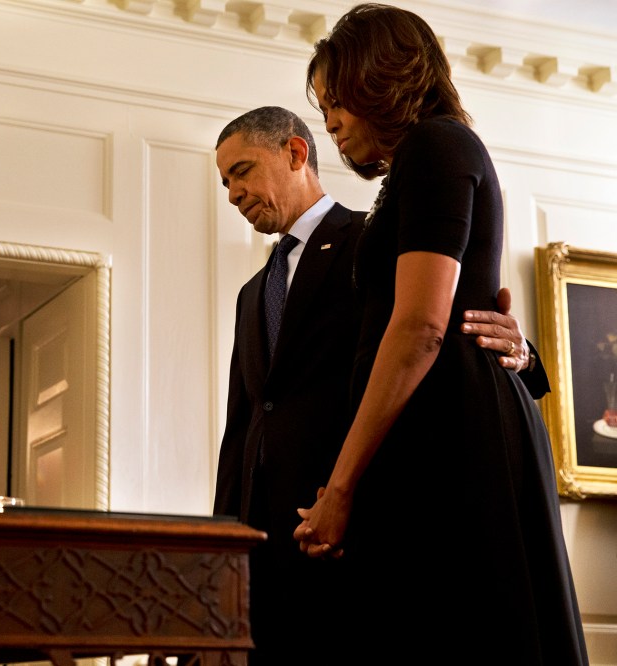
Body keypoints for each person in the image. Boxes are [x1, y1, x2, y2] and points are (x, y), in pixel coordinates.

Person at [295, 4, 588, 663]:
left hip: (449, 440)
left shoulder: (436, 145)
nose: (332, 122)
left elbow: (423, 327)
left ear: (382, 78)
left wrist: (340, 490)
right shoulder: (433, 155)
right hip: (442, 430)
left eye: (337, 100)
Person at [212, 106, 544, 663]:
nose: (232, 193)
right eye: (225, 182)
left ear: (296, 153)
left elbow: (440, 329)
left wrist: (524, 354)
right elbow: (243, 426)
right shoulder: (251, 293)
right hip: (268, 555)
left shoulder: (375, 240)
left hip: (359, 529)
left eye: (241, 171)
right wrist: (224, 546)